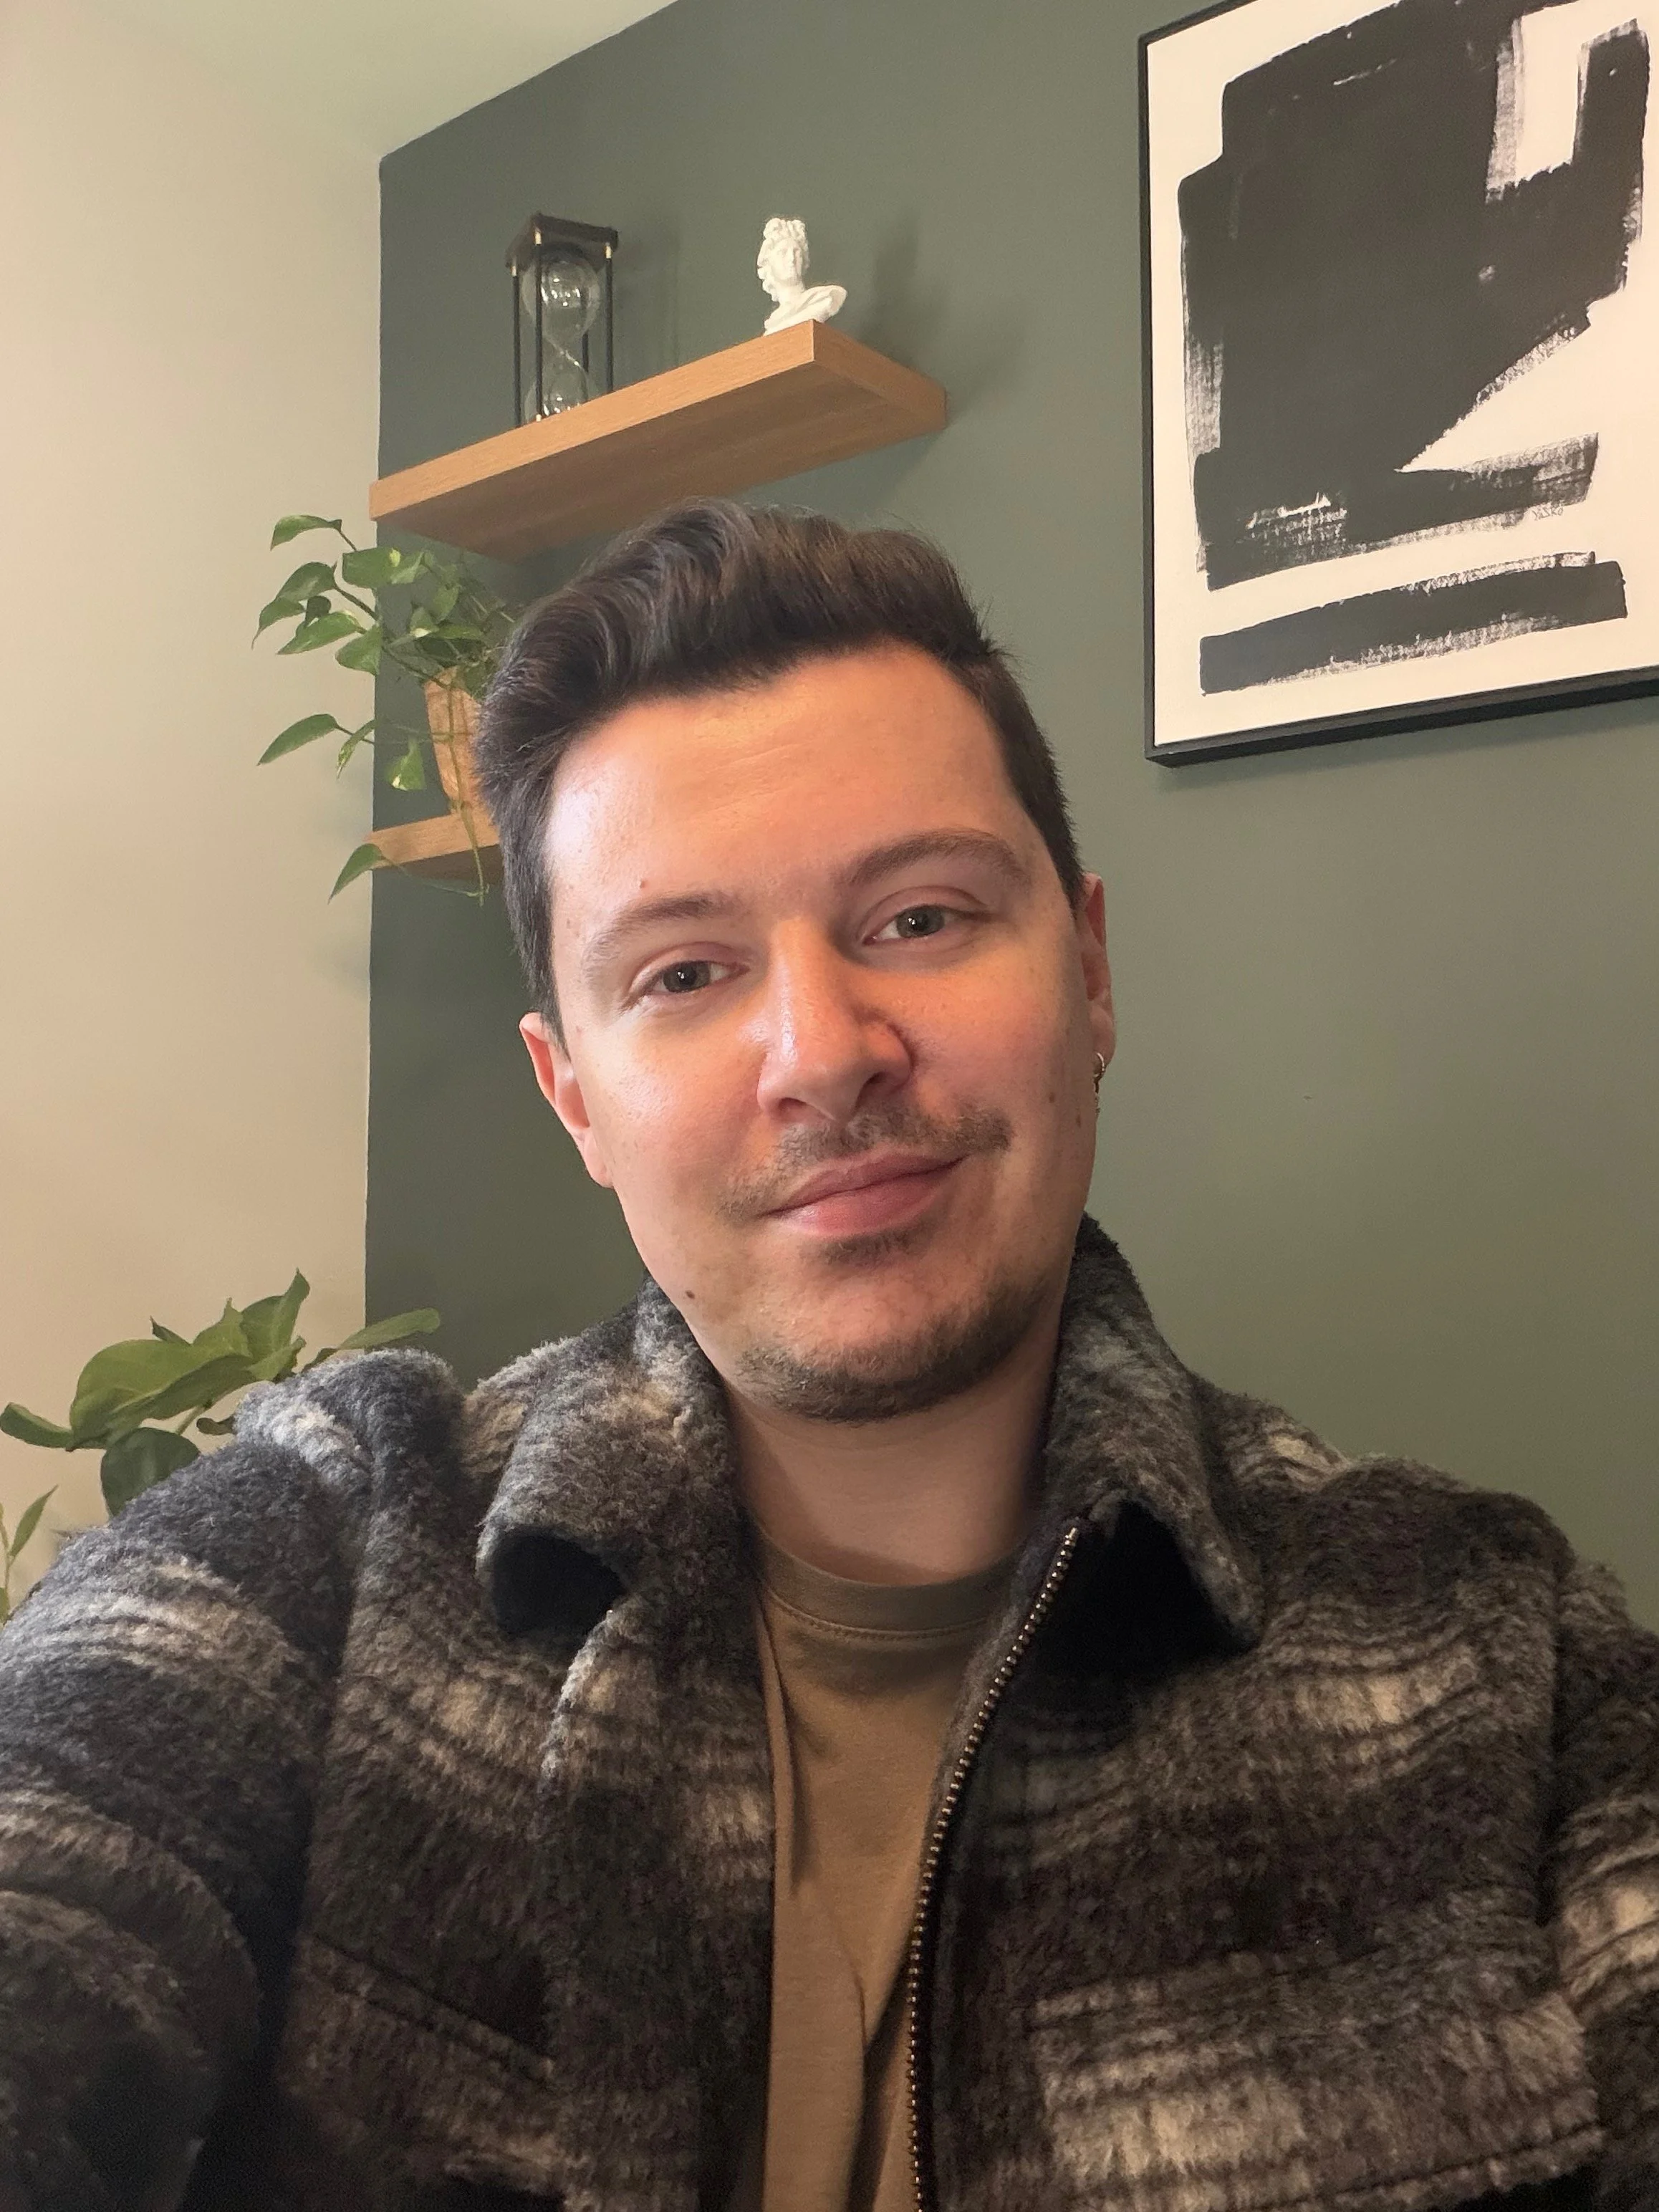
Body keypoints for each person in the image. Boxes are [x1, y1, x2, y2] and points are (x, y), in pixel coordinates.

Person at [0, 501, 1655, 2212]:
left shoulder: (1501, 1658)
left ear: (1088, 971)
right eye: (687, 970)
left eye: (920, 918)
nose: (822, 1055)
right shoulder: (325, 1555)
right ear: (575, 1093)